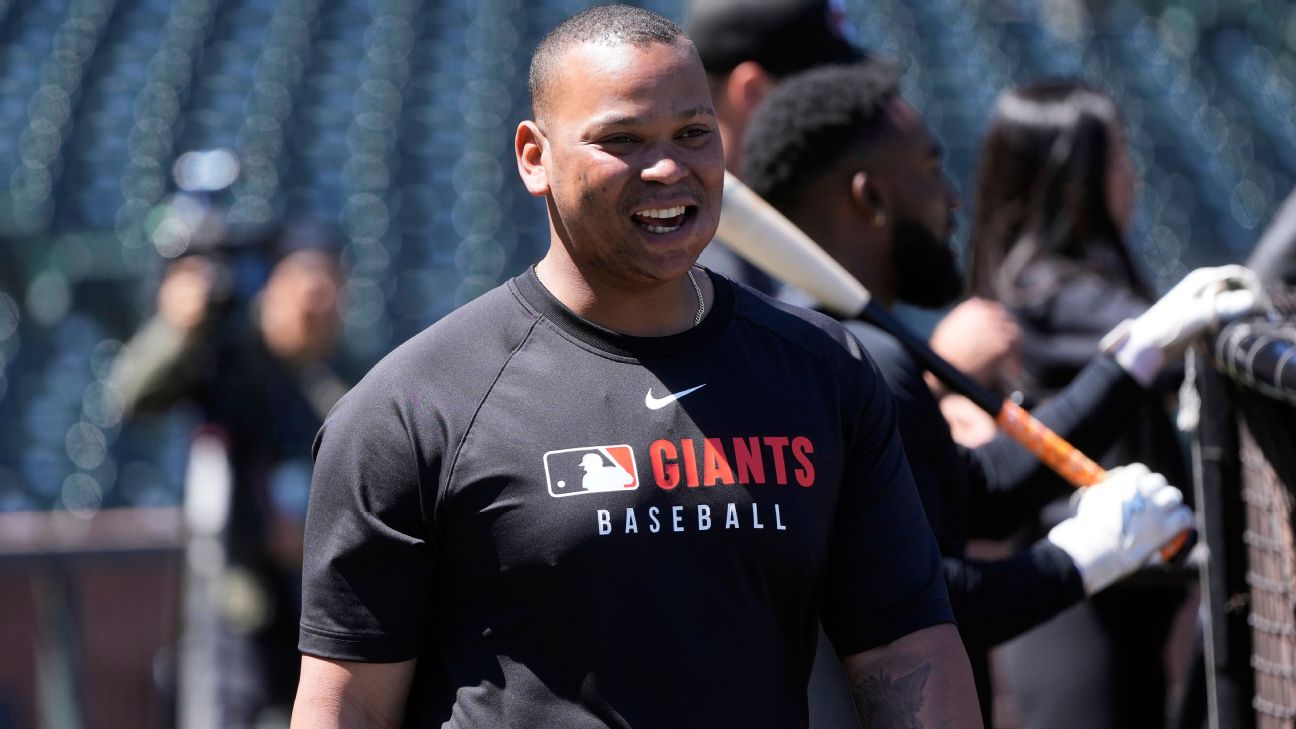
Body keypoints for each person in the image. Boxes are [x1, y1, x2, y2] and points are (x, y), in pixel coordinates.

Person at [291, 6, 983, 728]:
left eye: (693, 134)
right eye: (621, 139)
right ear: (533, 156)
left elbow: (906, 648)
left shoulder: (826, 372)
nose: (667, 168)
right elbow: (349, 703)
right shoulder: (413, 406)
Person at [739, 63, 1256, 726]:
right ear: (871, 199)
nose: (953, 197)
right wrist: (1083, 554)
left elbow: (977, 491)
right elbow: (925, 598)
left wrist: (1135, 357)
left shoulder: (829, 345)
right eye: (932, 170)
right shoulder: (855, 359)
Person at [962, 80, 1224, 729]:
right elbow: (1162, 343)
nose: (1130, 176)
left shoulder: (1057, 282)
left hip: (1119, 595)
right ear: (1074, 178)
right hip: (1080, 610)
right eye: (1116, 156)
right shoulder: (1046, 289)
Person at [111, 221, 348, 727]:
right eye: (306, 290)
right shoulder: (233, 361)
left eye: (330, 291)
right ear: (274, 288)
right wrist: (178, 327)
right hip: (238, 602)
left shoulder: (341, 382)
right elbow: (132, 395)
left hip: (317, 601)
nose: (318, 305)